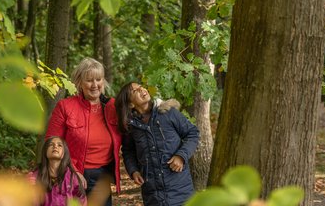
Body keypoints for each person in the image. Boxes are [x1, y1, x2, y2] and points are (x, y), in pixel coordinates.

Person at [45, 58, 122, 206]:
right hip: (71, 174)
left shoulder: (112, 107)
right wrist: (72, 172)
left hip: (102, 177)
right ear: (79, 82)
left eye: (98, 79)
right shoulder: (65, 106)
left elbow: (137, 117)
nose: (95, 85)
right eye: (89, 80)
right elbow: (51, 143)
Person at [115, 82, 200, 206]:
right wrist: (134, 171)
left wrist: (181, 156)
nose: (142, 89)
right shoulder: (131, 126)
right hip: (152, 194)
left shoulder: (168, 113)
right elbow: (128, 151)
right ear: (130, 104)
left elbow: (192, 133)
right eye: (135, 91)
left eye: (141, 87)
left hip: (180, 190)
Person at [29, 136, 87, 206]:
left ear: (64, 154)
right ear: (45, 152)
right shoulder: (34, 177)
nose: (55, 146)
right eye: (51, 145)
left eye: (59, 145)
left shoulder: (73, 178)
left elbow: (81, 202)